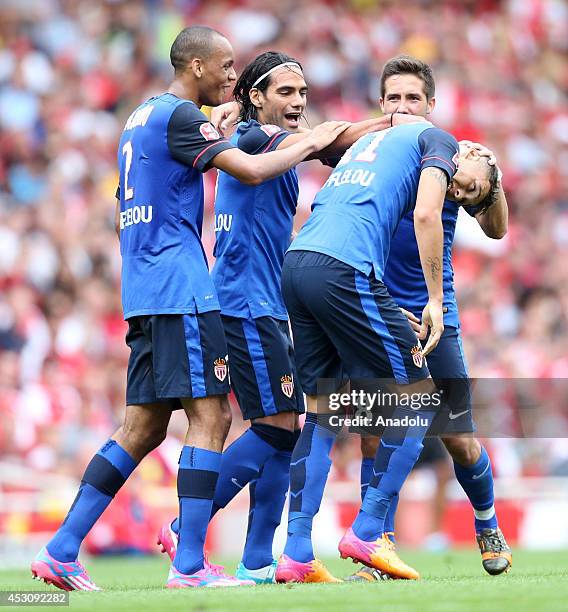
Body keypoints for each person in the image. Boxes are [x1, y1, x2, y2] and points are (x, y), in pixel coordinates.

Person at [30, 26, 349, 591]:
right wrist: (308, 140)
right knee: (212, 418)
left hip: (143, 288)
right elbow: (249, 169)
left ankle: (59, 550)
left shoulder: (140, 117)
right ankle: (190, 565)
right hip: (182, 290)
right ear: (196, 66)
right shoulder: (180, 117)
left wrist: (226, 122)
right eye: (225, 67)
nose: (232, 77)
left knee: (142, 427)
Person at [157, 50, 423, 585]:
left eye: (302, 93)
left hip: (265, 305)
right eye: (285, 93)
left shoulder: (263, 140)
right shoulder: (257, 141)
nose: (298, 102)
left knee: (285, 426)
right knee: (280, 427)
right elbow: (329, 137)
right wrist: (400, 124)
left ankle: (260, 560)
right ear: (255, 98)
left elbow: (330, 143)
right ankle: (186, 526)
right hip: (246, 305)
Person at [275, 121, 499, 583]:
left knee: (323, 412)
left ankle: (296, 553)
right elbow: (425, 214)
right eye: (469, 185)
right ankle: (369, 530)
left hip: (300, 262)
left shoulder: (367, 145)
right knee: (418, 402)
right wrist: (435, 300)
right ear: (475, 150)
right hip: (346, 270)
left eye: (469, 197)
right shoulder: (443, 142)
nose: (460, 191)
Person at [348, 56, 511, 582]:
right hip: (373, 310)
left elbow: (496, 229)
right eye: (392, 98)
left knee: (457, 436)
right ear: (380, 104)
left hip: (432, 315)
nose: (401, 108)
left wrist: (494, 181)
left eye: (412, 99)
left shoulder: (448, 153)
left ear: (431, 106)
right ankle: (376, 547)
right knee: (373, 433)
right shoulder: (365, 151)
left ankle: (486, 523)